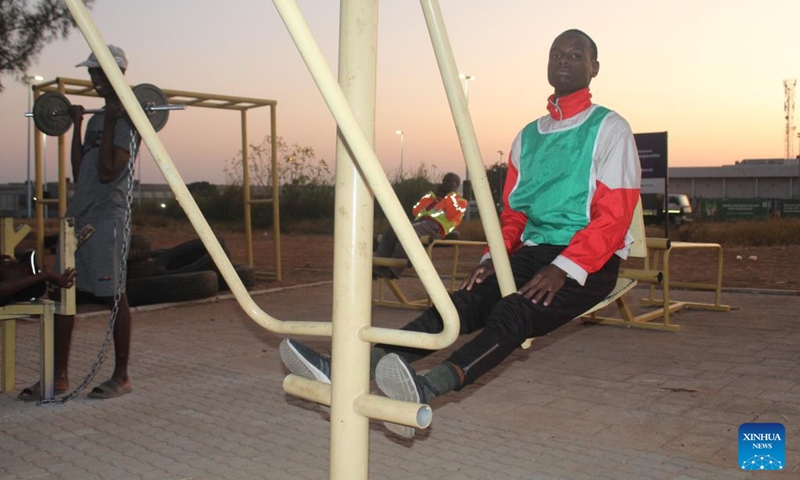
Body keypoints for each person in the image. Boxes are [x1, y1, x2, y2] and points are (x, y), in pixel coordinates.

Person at [279, 29, 641, 438]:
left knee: (513, 312)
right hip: (535, 251)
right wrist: (492, 259)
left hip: (587, 260)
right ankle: (348, 369)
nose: (563, 60)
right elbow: (514, 216)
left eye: (576, 55)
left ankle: (428, 387)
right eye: (556, 53)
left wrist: (565, 267)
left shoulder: (610, 129)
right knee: (461, 304)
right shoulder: (528, 135)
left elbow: (614, 217)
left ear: (594, 68)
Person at [19, 45, 139, 401]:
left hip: (107, 218)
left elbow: (107, 172)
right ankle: (59, 378)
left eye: (100, 72)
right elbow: (79, 170)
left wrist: (116, 118)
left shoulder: (128, 119)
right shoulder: (101, 118)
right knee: (61, 293)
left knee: (114, 297)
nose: (94, 79)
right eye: (92, 73)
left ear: (117, 73)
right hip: (79, 217)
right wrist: (77, 126)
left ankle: (121, 377)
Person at [373, 172, 467, 279]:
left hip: (436, 227)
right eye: (445, 180)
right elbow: (416, 211)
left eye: (450, 181)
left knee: (408, 233)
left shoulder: (460, 201)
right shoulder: (433, 196)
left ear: (457, 184)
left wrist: (450, 195)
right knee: (392, 230)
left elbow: (451, 214)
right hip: (420, 223)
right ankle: (378, 266)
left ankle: (394, 270)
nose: (446, 183)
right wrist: (433, 195)